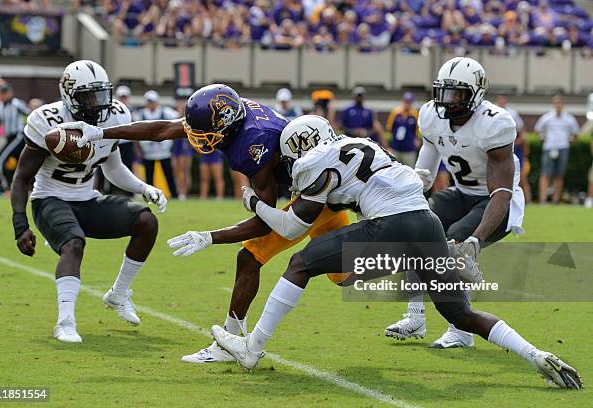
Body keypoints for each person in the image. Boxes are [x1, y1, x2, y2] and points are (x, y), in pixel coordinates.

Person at [210, 115, 581, 391]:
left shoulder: (314, 160)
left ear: (304, 146)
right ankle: (537, 355)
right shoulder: (362, 143)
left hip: (390, 225)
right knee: (461, 313)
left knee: (300, 263)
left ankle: (252, 348)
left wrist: (253, 202)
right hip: (427, 223)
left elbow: (291, 227)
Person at [63, 84, 350, 363]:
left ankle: (228, 343)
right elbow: (163, 130)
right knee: (344, 275)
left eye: (204, 134)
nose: (197, 139)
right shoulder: (232, 115)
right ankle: (397, 295)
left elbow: (267, 222)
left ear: (226, 126)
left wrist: (210, 236)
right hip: (315, 190)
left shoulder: (253, 143)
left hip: (315, 196)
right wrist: (100, 132)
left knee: (251, 255)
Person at [10, 60, 166, 343]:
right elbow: (22, 178)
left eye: (101, 95)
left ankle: (118, 295)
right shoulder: (47, 120)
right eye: (88, 96)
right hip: (50, 198)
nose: (97, 104)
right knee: (73, 243)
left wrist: (143, 188)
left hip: (86, 198)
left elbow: (113, 166)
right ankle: (65, 322)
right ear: (69, 94)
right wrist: (20, 224)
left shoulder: (116, 115)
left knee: (146, 221)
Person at [385, 57, 525, 349]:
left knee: (455, 243)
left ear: (475, 93)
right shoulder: (431, 117)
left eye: (456, 93)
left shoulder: (495, 123)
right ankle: (415, 317)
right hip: (460, 191)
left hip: (495, 201)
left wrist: (475, 240)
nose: (447, 101)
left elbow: (501, 192)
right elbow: (424, 172)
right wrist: (401, 199)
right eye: (444, 92)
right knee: (417, 228)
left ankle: (460, 330)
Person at [534, 95, 579, 204]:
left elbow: (576, 132)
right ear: (554, 105)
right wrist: (543, 138)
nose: (558, 106)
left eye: (560, 104)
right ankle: (543, 199)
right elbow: (538, 129)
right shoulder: (547, 117)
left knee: (559, 175)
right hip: (549, 148)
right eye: (556, 104)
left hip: (563, 148)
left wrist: (570, 141)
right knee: (545, 174)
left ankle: (555, 199)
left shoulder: (569, 118)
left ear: (563, 105)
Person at [135, 90, 180, 198]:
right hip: (148, 152)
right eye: (149, 102)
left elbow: (178, 117)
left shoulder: (165, 112)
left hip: (164, 151)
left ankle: (175, 195)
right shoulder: (140, 115)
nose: (151, 104)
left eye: (153, 101)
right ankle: (151, 196)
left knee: (169, 175)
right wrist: (139, 149)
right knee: (149, 177)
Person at [0, 83, 30, 190]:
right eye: (2, 93)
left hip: (18, 136)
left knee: (0, 160)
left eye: (6, 92)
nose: (5, 95)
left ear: (10, 92)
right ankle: (15, 186)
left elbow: (30, 115)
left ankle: (5, 186)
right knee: (17, 162)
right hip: (8, 137)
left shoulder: (17, 104)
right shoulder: (0, 105)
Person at [496, 95, 531, 203]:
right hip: (499, 149)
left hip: (514, 150)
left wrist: (516, 145)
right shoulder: (494, 113)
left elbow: (523, 135)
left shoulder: (513, 114)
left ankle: (527, 200)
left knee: (520, 177)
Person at [385, 92, 420, 167]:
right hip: (396, 148)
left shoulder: (414, 114)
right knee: (394, 170)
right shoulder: (395, 112)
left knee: (409, 171)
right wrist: (388, 146)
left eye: (409, 102)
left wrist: (418, 140)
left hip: (409, 149)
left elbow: (418, 130)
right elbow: (388, 130)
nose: (407, 103)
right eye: (406, 101)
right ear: (402, 101)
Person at [173, 98, 194, 200]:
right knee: (178, 171)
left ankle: (183, 192)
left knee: (184, 171)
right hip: (177, 149)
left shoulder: (188, 121)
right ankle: (180, 191)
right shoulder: (175, 118)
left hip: (184, 149)